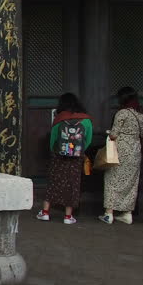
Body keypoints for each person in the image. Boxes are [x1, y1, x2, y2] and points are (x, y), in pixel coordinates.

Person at [37, 93, 93, 224]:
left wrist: (54, 151)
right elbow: (88, 139)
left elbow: (53, 140)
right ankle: (68, 216)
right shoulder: (86, 120)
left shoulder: (59, 119)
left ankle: (45, 212)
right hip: (76, 157)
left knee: (54, 181)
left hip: (59, 156)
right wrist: (79, 151)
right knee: (72, 184)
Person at [99, 87, 143, 224]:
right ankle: (127, 214)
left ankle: (109, 214)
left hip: (120, 151)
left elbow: (114, 134)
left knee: (112, 179)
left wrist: (109, 133)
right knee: (131, 182)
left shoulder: (122, 113)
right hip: (135, 151)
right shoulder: (142, 114)